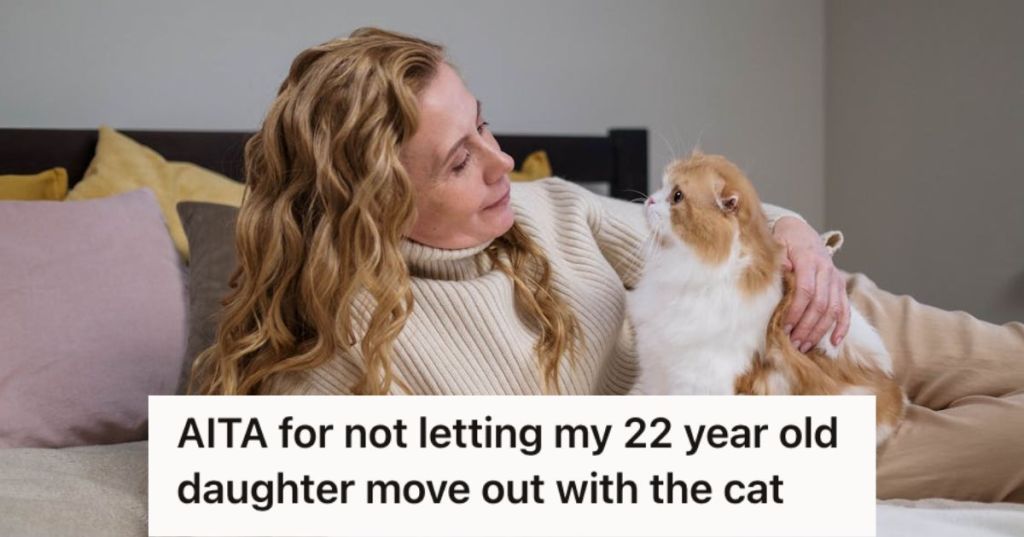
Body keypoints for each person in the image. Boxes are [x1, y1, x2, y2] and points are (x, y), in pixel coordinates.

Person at [191, 28, 1024, 502]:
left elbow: (714, 224)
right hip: (760, 433)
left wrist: (798, 233)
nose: (502, 161)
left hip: (798, 306)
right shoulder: (342, 358)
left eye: (484, 124)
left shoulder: (552, 208)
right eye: (459, 161)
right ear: (374, 204)